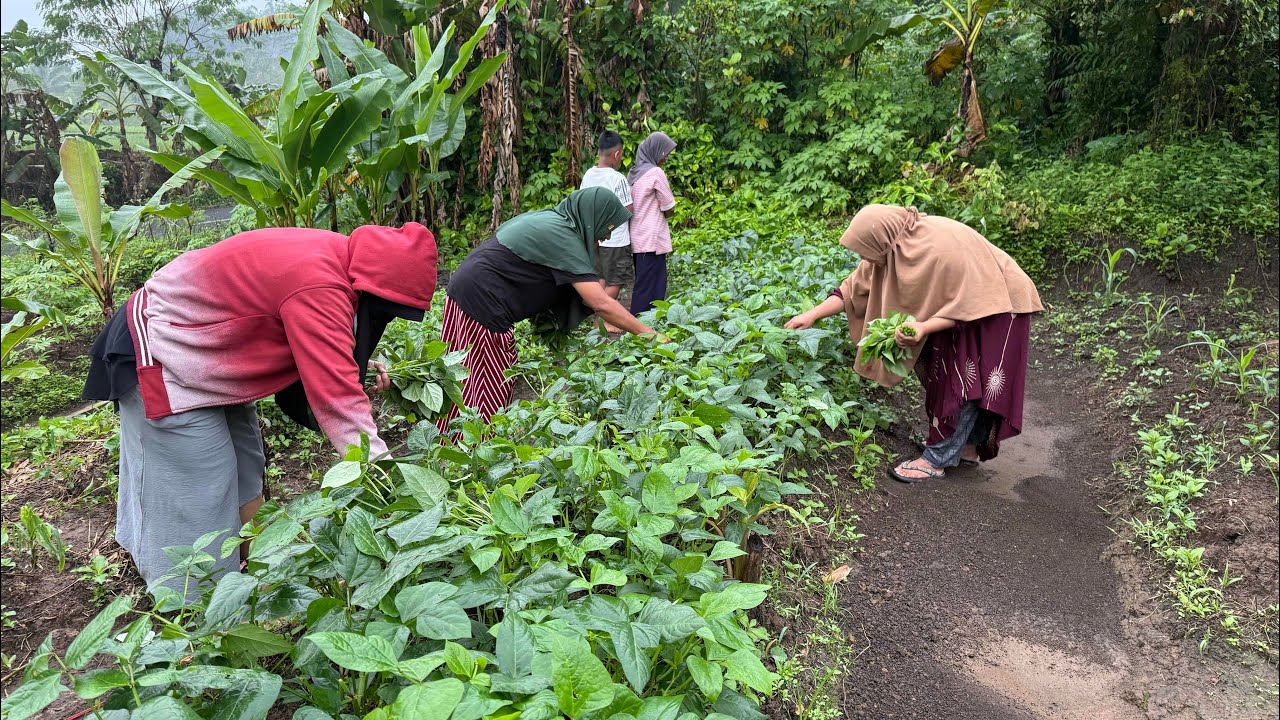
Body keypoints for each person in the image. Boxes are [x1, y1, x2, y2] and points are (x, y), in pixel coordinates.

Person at [83, 224, 438, 598]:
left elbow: (323, 334)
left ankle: (258, 573)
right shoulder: (318, 285)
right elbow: (341, 406)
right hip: (162, 346)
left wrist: (358, 362)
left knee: (246, 466)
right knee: (199, 484)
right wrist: (392, 485)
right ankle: (195, 612)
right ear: (375, 288)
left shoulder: (339, 258)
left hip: (211, 353)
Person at [784, 204, 1043, 483]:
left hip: (999, 304)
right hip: (970, 306)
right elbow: (852, 289)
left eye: (863, 251)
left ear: (880, 240)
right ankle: (964, 448)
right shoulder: (892, 243)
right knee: (952, 371)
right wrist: (811, 315)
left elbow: (968, 305)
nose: (862, 258)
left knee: (964, 378)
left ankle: (937, 459)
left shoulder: (934, 250)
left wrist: (923, 327)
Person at [437, 186, 665, 432]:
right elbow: (599, 302)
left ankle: (453, 443)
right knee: (490, 380)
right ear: (592, 218)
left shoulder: (552, 221)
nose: (607, 237)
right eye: (606, 227)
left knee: (462, 376)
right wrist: (651, 334)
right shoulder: (564, 236)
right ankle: (478, 452)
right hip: (483, 302)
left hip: (464, 292)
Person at [580, 130, 635, 330]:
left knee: (601, 278)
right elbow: (628, 209)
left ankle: (602, 320)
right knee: (616, 281)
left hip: (595, 237)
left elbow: (582, 202)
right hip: (616, 240)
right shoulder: (618, 179)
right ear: (617, 154)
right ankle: (600, 321)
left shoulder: (589, 174)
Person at [627, 131, 677, 316]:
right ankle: (640, 327)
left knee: (642, 282)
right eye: (664, 153)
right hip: (652, 238)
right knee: (654, 286)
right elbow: (668, 206)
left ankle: (643, 325)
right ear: (655, 151)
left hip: (637, 238)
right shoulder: (655, 172)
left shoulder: (633, 174)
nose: (665, 157)